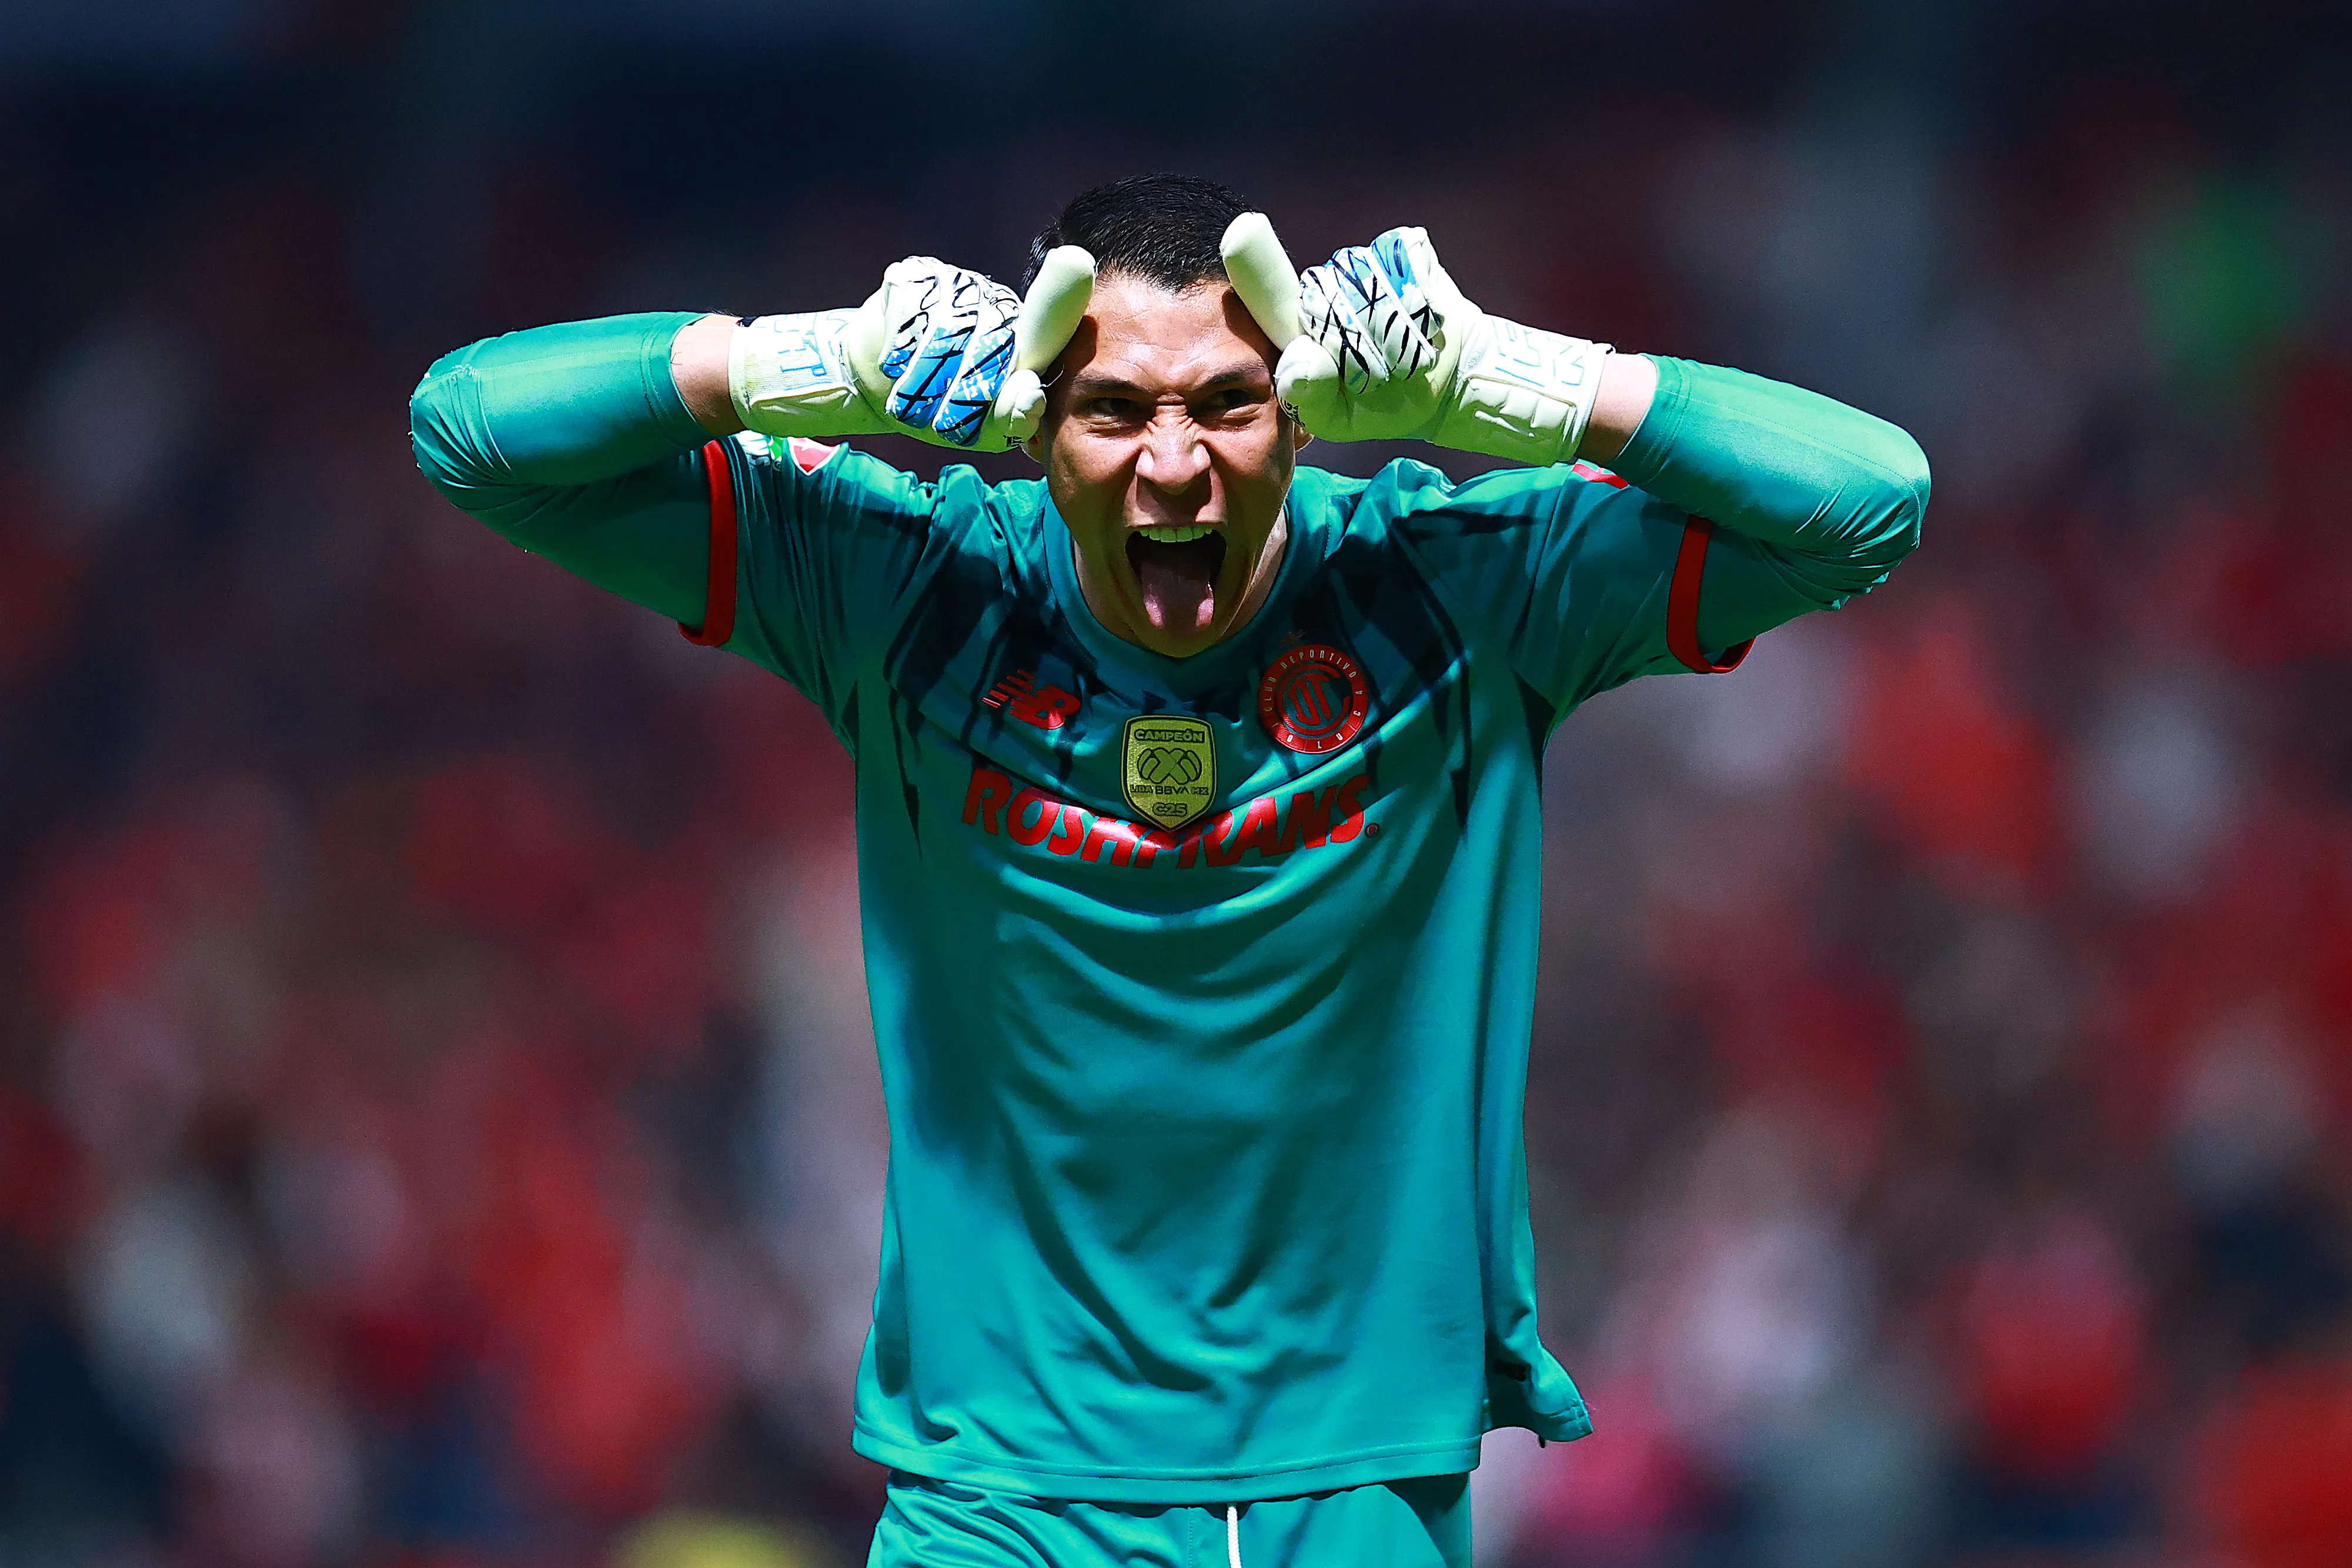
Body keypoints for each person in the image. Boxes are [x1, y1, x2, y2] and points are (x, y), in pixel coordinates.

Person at [409, 172, 1927, 1568]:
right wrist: (818, 363)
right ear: (1030, 418)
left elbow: (1867, 499)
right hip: (998, 1497)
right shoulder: (908, 578)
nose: (1175, 461)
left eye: (1228, 403)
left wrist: (1502, 378)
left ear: (1310, 411)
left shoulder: (1456, 584)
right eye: (1115, 409)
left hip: (1351, 1493)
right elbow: (471, 435)